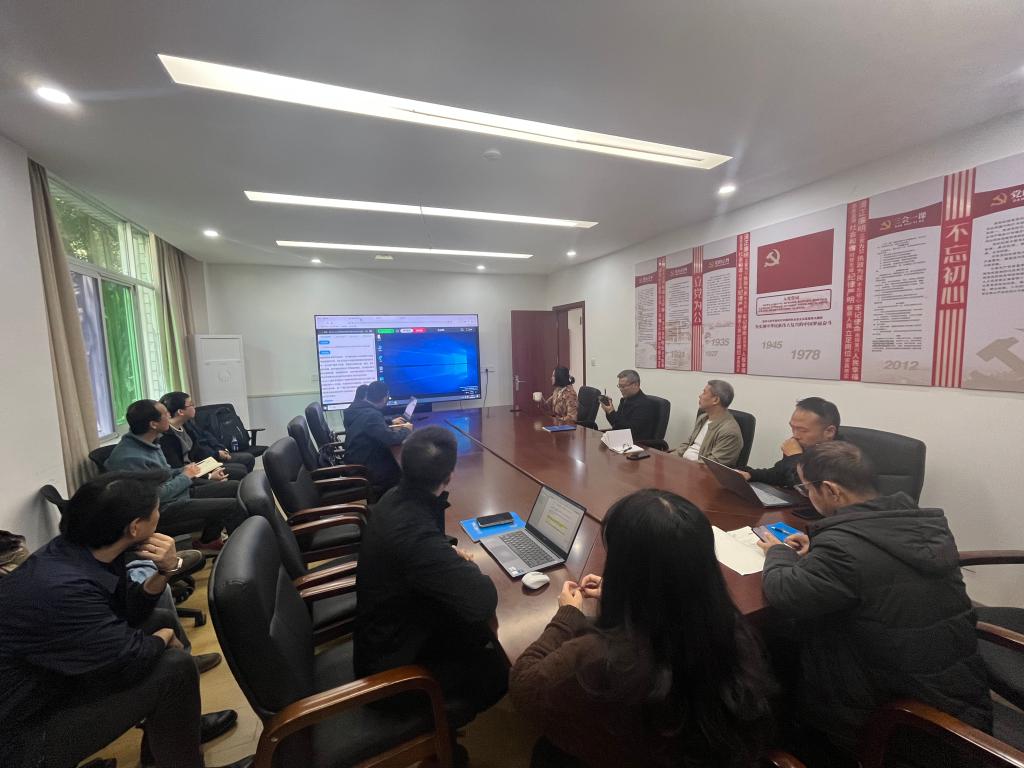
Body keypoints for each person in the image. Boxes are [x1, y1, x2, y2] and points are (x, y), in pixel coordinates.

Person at [757, 442, 991, 762]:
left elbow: (784, 592)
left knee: (776, 641)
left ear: (831, 490)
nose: (807, 495)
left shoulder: (844, 549)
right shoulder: (920, 523)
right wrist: (821, 547)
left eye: (806, 488)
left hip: (899, 727)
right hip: (960, 701)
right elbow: (870, 562)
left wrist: (778, 552)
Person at [0, 473, 250, 768]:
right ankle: (177, 742)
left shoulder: (84, 550)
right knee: (174, 667)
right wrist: (165, 637)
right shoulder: (62, 588)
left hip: (54, 680)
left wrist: (165, 571)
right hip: (22, 733)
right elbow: (130, 660)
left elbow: (130, 609)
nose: (160, 515)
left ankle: (174, 731)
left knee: (159, 620)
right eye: (156, 511)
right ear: (135, 527)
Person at [510, 489, 775, 768]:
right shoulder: (730, 630)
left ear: (623, 567)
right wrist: (627, 597)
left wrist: (568, 614)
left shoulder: (601, 656)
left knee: (545, 751)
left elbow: (524, 687)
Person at [355, 426, 507, 755]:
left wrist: (443, 552)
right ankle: (441, 738)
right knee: (501, 666)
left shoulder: (392, 499)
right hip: (395, 673)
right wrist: (461, 564)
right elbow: (482, 600)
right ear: (449, 476)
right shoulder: (412, 534)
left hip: (384, 636)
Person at [106, 400, 246, 551]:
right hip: (161, 508)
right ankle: (239, 551)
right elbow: (156, 496)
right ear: (153, 424)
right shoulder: (130, 458)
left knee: (235, 487)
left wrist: (181, 470)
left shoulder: (150, 442)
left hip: (177, 493)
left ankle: (209, 540)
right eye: (165, 414)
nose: (169, 416)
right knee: (233, 506)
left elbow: (163, 473)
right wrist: (185, 476)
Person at [738, 396, 839, 488]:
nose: (795, 435)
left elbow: (810, 489)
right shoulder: (803, 445)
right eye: (793, 428)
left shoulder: (842, 458)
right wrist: (751, 474)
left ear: (829, 432)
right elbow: (780, 474)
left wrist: (794, 457)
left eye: (803, 430)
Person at [159, 391, 252, 480]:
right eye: (191, 404)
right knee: (240, 471)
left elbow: (203, 441)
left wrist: (217, 453)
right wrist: (209, 475)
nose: (194, 407)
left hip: (201, 463)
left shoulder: (187, 424)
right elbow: (179, 468)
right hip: (190, 472)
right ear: (180, 411)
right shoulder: (166, 436)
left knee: (243, 465)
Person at [343, 381, 413, 495]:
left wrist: (390, 421)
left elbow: (369, 424)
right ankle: (395, 502)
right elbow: (391, 439)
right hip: (364, 469)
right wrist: (406, 430)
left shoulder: (360, 409)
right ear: (385, 398)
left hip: (356, 461)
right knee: (403, 471)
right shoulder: (372, 415)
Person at [675, 379, 743, 466]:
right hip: (684, 465)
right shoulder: (703, 418)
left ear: (715, 400)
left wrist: (684, 465)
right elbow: (687, 444)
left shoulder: (729, 432)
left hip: (698, 470)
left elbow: (712, 464)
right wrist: (668, 457)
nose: (700, 396)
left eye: (704, 393)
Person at [599, 369, 660, 442]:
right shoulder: (624, 400)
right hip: (623, 441)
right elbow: (616, 425)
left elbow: (629, 431)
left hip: (638, 444)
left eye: (623, 386)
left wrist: (611, 412)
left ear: (635, 385)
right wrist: (608, 411)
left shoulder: (645, 405)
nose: (620, 389)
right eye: (619, 386)